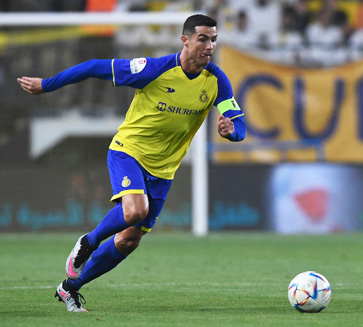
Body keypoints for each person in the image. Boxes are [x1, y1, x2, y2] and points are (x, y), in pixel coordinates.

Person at [17, 14, 246, 312]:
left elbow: (238, 123)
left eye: (214, 39)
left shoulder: (217, 81)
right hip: (129, 151)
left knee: (128, 241)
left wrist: (233, 133)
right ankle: (87, 243)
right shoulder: (154, 69)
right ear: (185, 40)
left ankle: (69, 288)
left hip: (164, 170)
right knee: (136, 209)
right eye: (203, 38)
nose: (210, 45)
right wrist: (47, 84)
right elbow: (95, 66)